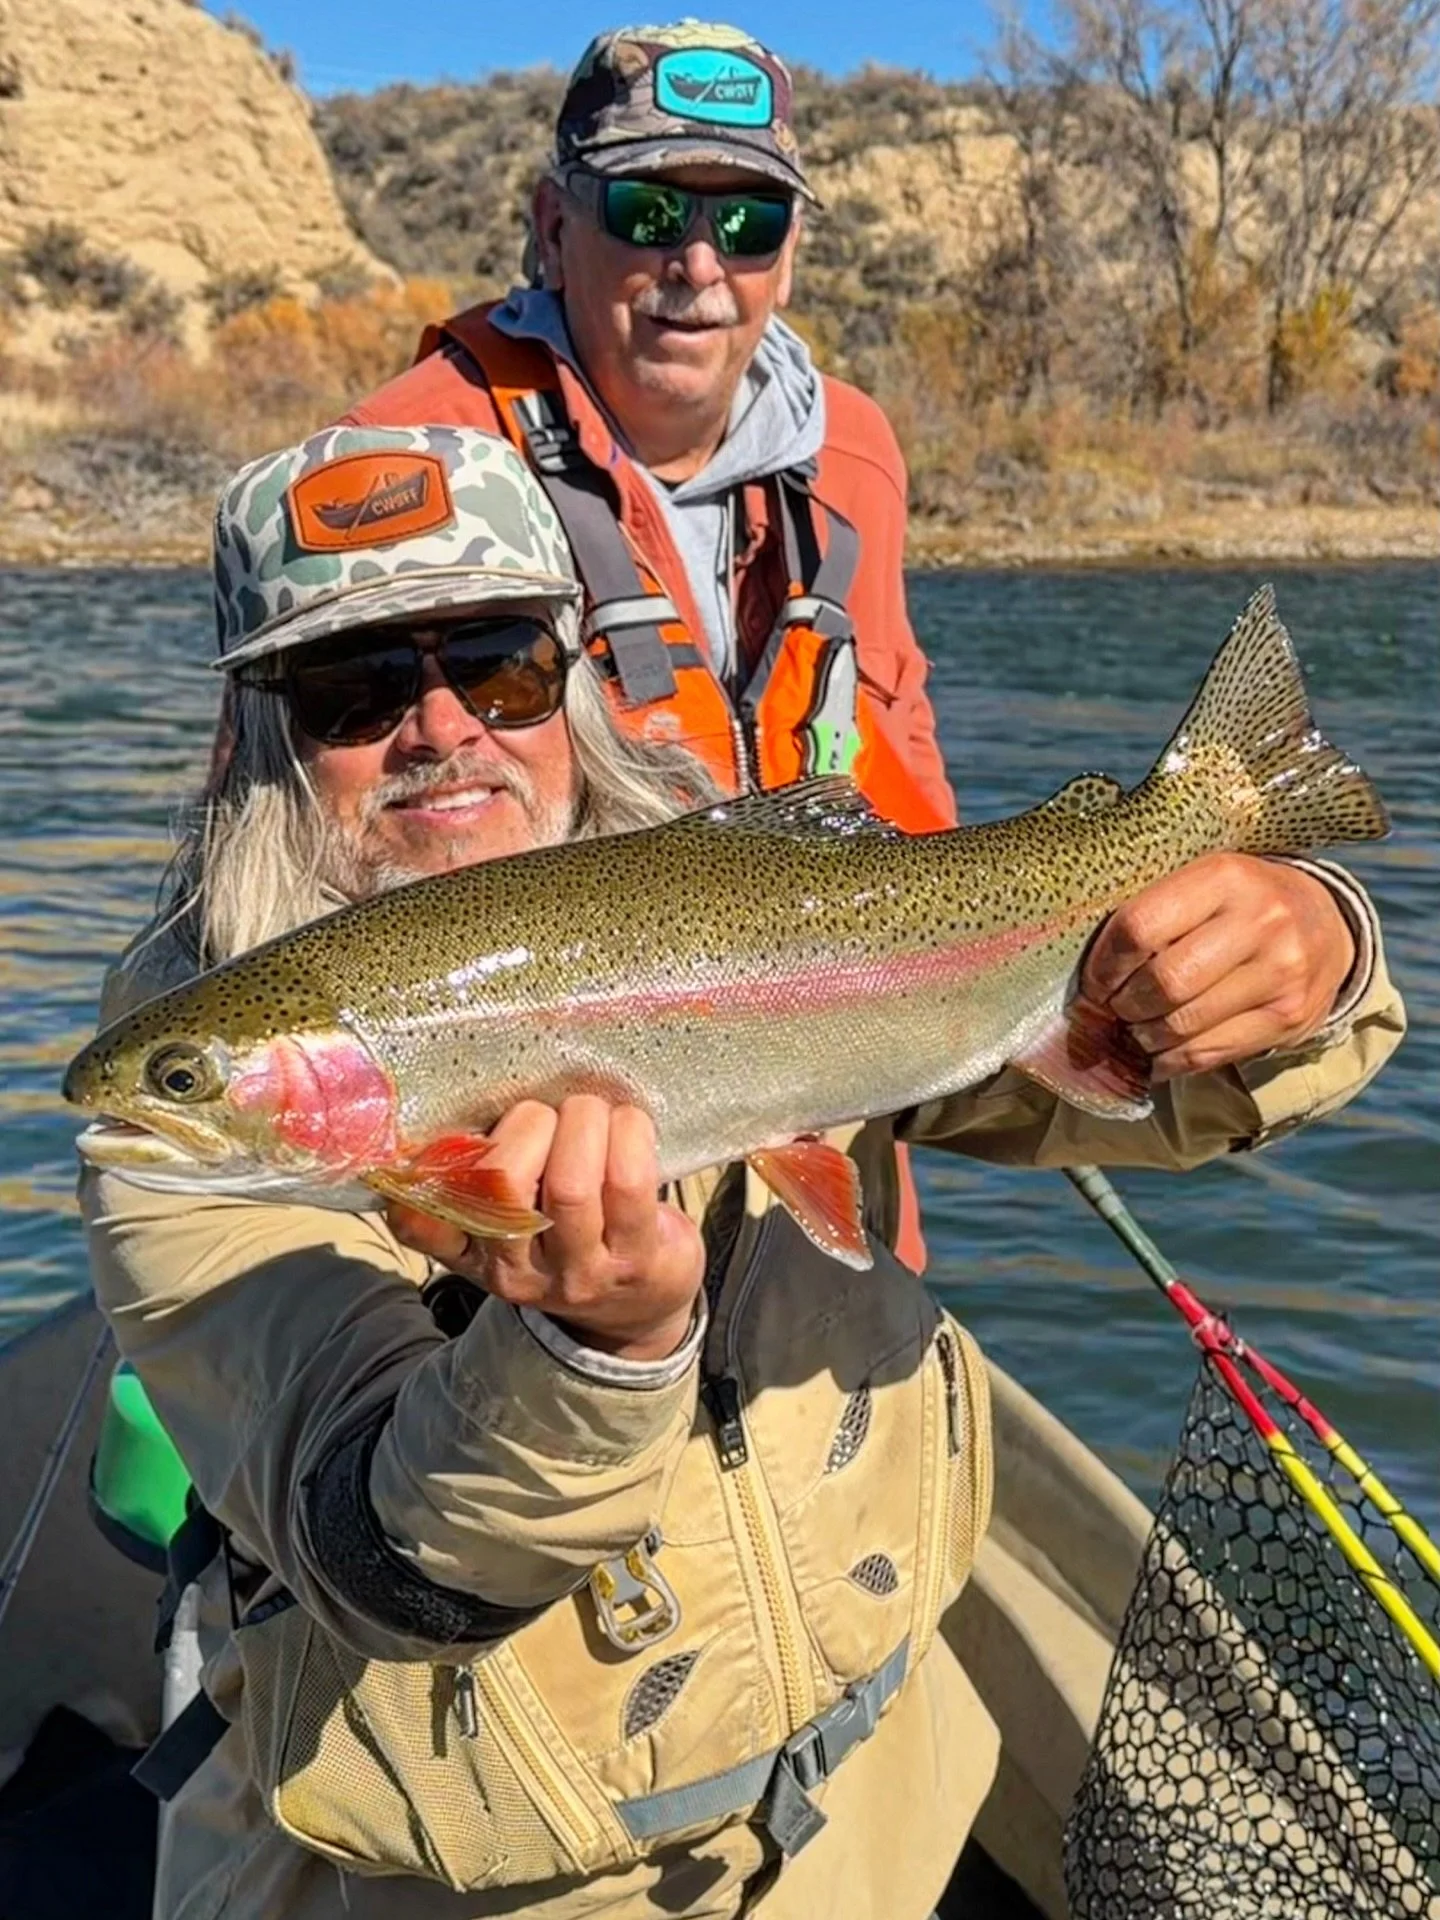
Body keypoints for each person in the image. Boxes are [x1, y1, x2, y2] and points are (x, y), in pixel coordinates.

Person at [81, 424, 1404, 1920]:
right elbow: (386, 1563)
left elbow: (1155, 1097)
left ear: (574, 676)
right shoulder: (182, 1146)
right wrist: (596, 1352)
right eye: (353, 690)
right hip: (526, 1885)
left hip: (899, 1768)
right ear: (252, 736)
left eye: (498, 667)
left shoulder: (744, 896)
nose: (441, 729)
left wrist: (1306, 949)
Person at [341, 18, 1383, 1274]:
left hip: (836, 1164)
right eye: (648, 209)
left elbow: (910, 834)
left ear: (790, 253)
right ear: (554, 223)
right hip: (508, 1235)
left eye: (748, 224)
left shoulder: (854, 461)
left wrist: (1310, 944)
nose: (698, 265)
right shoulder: (398, 467)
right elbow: (291, 856)